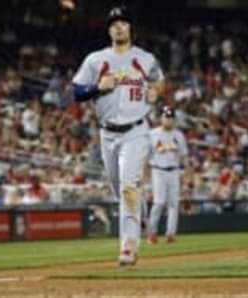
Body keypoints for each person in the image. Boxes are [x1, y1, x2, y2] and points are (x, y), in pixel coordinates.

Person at [72, 5, 164, 266]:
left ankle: (128, 246)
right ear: (108, 29)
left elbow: (159, 80)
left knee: (127, 187)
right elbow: (77, 93)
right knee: (120, 190)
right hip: (108, 134)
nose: (119, 26)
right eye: (114, 23)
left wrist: (157, 91)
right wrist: (96, 87)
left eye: (123, 22)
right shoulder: (95, 60)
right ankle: (142, 212)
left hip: (136, 130)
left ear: (130, 27)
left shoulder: (145, 58)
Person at [147, 106, 188, 244]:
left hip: (174, 171)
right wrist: (143, 173)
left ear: (174, 120)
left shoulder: (179, 135)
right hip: (158, 170)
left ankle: (170, 234)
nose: (168, 120)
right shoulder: (153, 134)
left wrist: (187, 172)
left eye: (170, 118)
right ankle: (152, 232)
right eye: (166, 117)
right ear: (161, 118)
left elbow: (184, 156)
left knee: (173, 204)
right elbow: (146, 155)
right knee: (159, 202)